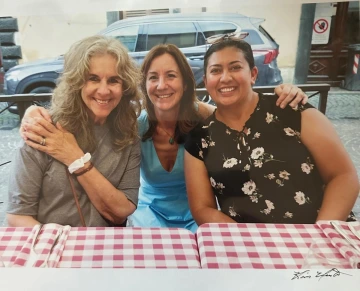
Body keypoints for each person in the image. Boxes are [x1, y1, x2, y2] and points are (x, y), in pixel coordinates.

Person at [20, 43, 308, 232]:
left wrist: (286, 91)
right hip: (149, 215)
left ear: (185, 82)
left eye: (171, 75)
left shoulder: (207, 118)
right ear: (144, 84)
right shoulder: (133, 128)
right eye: (153, 77)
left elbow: (242, 111)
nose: (161, 85)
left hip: (199, 216)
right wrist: (34, 110)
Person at [184, 36, 359, 225]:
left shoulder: (291, 110)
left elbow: (342, 176)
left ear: (253, 74)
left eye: (235, 67)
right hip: (252, 244)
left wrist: (319, 235)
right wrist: (248, 242)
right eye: (216, 71)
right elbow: (203, 208)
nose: (225, 77)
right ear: (206, 80)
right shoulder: (199, 138)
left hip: (320, 235)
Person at [7, 35, 142, 227]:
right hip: (52, 250)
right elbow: (17, 216)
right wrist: (58, 245)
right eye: (93, 79)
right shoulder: (43, 130)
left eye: (113, 80)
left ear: (125, 87)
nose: (104, 91)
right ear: (76, 82)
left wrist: (74, 157)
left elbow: (121, 212)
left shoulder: (128, 134)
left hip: (107, 248)